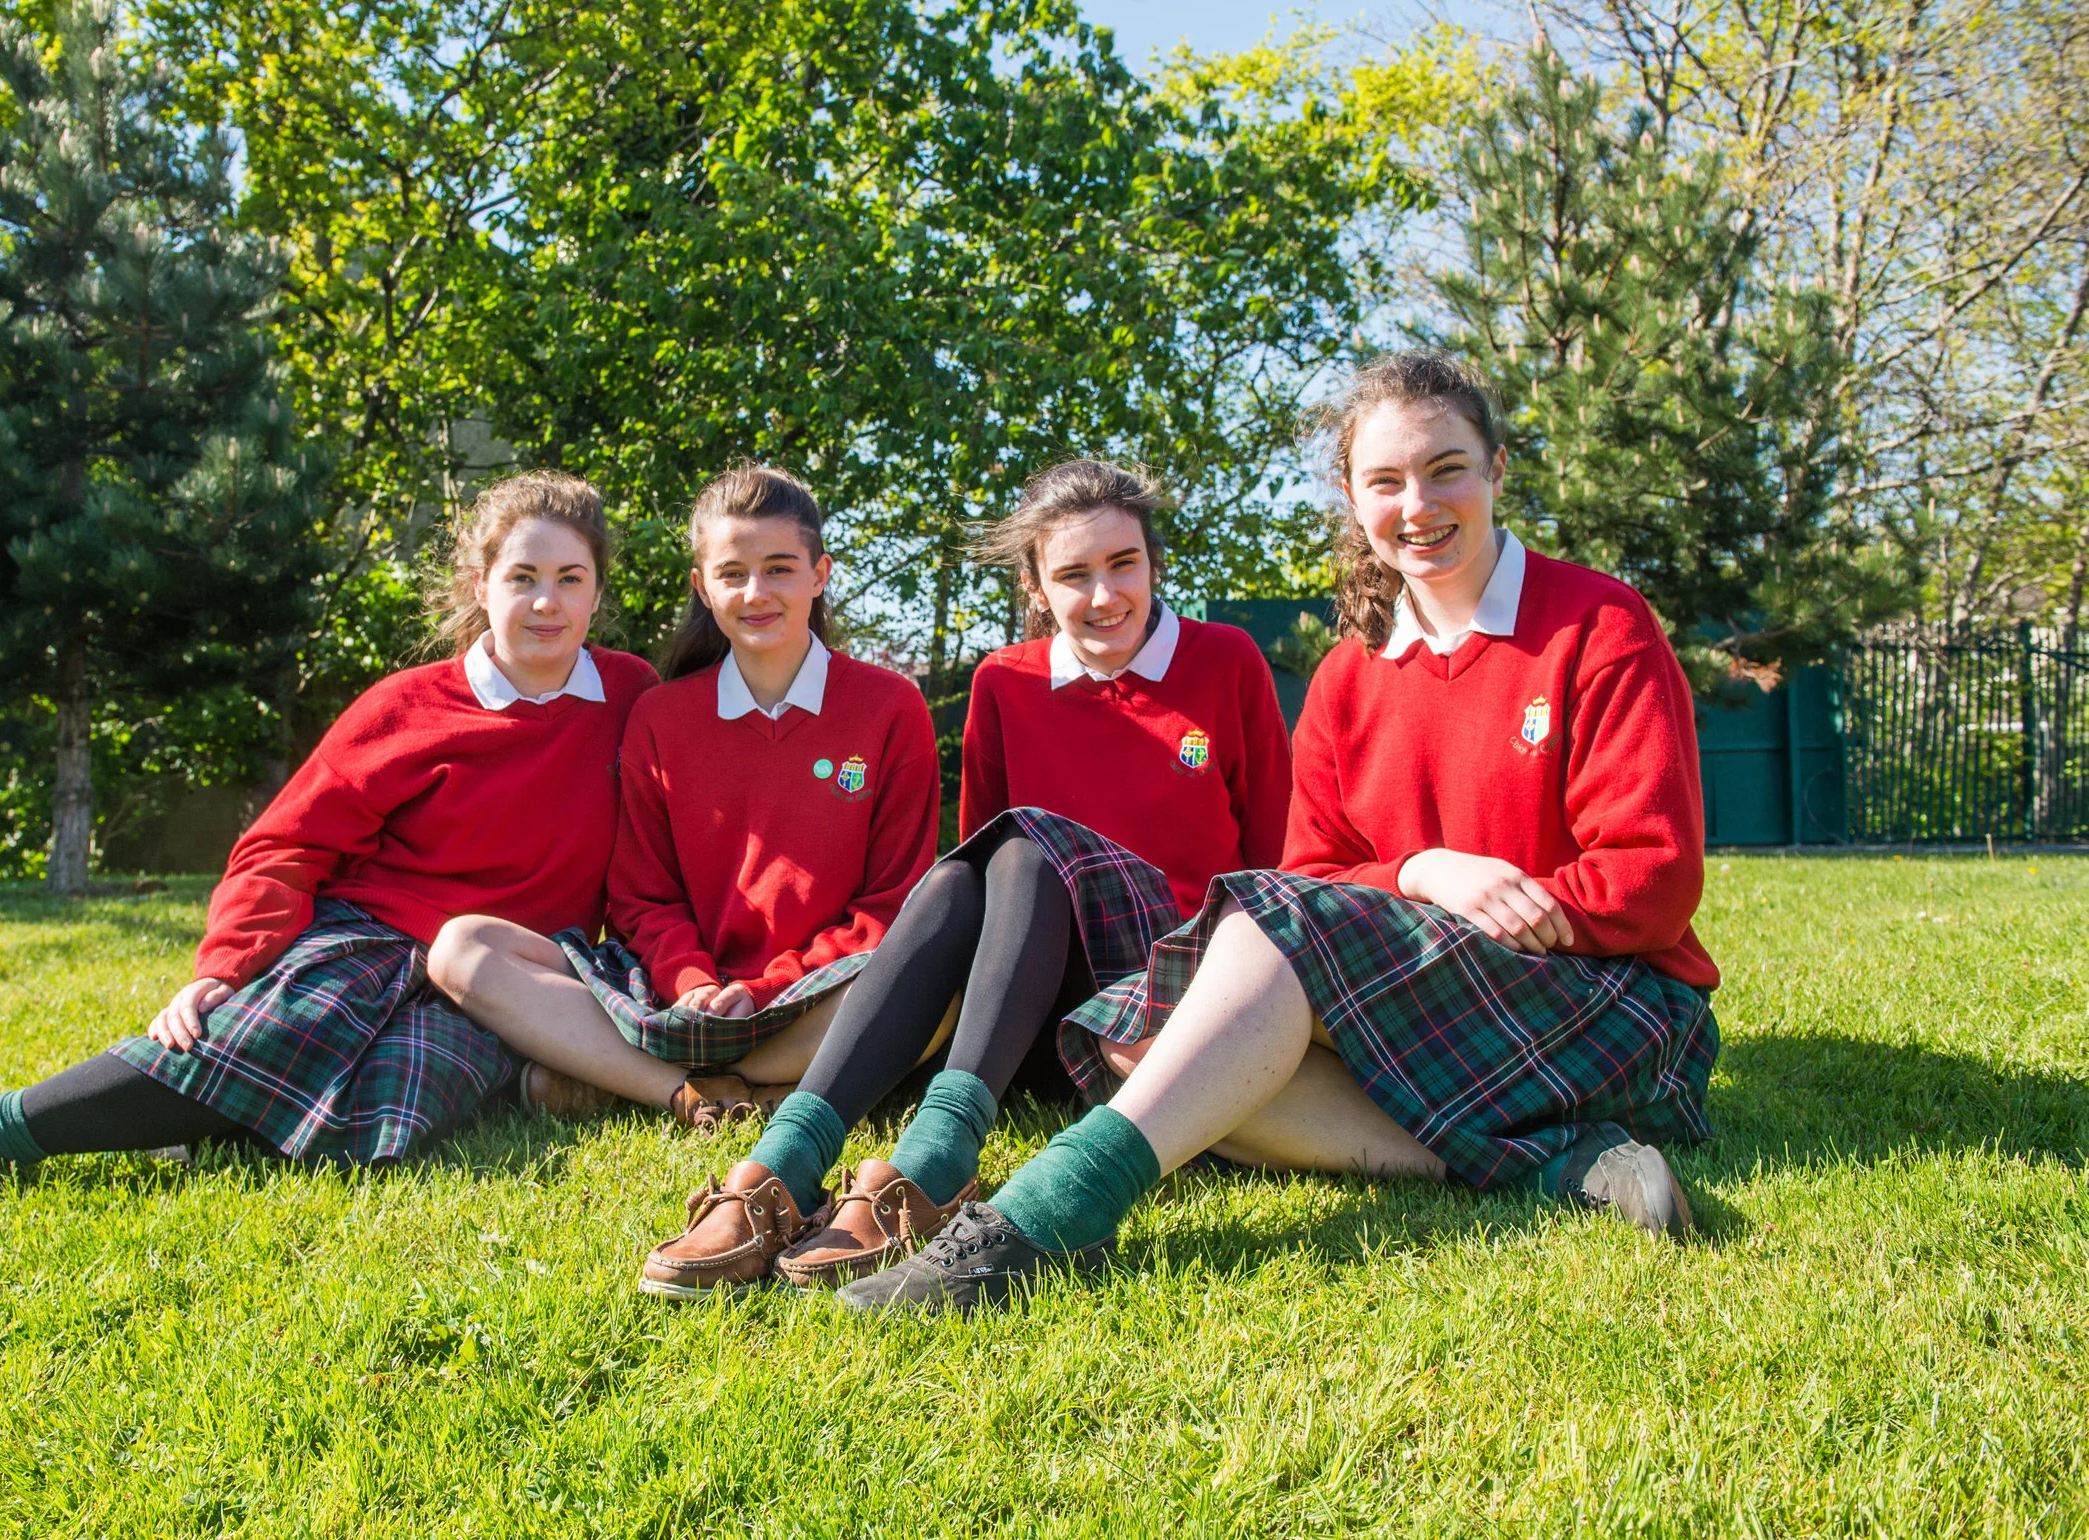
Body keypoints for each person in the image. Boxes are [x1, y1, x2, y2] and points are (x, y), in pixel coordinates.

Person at [835, 352, 1724, 1313]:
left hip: (1604, 999)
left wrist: (1488, 899)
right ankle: (1547, 1168)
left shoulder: (1600, 625)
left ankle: (1044, 1219)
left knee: (1247, 955)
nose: (1418, 503)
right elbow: (1317, 871)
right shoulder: (1349, 676)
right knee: (1141, 1042)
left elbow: (1654, 879)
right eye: (1386, 481)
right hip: (1421, 997)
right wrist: (1425, 873)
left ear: (1498, 470)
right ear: (1353, 498)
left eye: (1447, 468)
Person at [0, 472, 662, 1239]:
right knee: (254, 1045)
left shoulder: (631, 695)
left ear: (595, 590)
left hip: (499, 973)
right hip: (370, 940)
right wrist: (226, 969)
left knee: (397, 1120)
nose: (546, 602)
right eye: (523, 577)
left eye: (570, 579)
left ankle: (168, 1130)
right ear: (480, 584)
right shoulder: (409, 705)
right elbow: (286, 843)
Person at [637, 459, 1291, 1297]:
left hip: (1177, 993)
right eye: (1073, 574)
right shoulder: (1003, 681)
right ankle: (787, 1159)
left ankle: (937, 1154)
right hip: (1049, 1016)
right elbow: (986, 874)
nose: (1103, 596)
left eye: (1122, 564)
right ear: (1034, 587)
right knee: (971, 872)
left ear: (1154, 565)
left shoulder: (1225, 661)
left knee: (1024, 847)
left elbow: (1273, 863)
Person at [428, 465, 941, 1189]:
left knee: (944, 977)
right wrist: (694, 982)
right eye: (732, 572)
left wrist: (769, 988)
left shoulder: (891, 708)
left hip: (819, 996)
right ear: (703, 587)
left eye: (780, 569)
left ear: (820, 575)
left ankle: (666, 1082)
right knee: (462, 947)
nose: (756, 593)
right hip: (675, 1001)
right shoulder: (661, 717)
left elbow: (894, 901)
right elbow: (640, 898)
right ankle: (707, 1086)